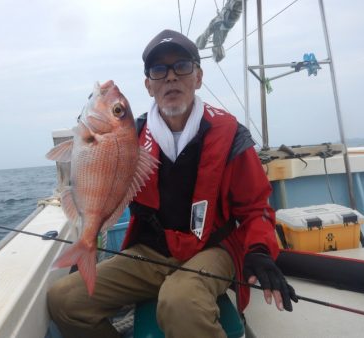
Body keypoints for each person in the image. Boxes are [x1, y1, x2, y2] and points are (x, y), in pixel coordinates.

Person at [47, 29, 297, 338]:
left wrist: (259, 250)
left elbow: (256, 207)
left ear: (198, 76)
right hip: (150, 251)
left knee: (180, 303)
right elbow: (100, 181)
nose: (170, 77)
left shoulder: (230, 134)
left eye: (181, 66)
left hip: (213, 249)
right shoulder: (129, 138)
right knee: (65, 300)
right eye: (158, 70)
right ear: (148, 85)